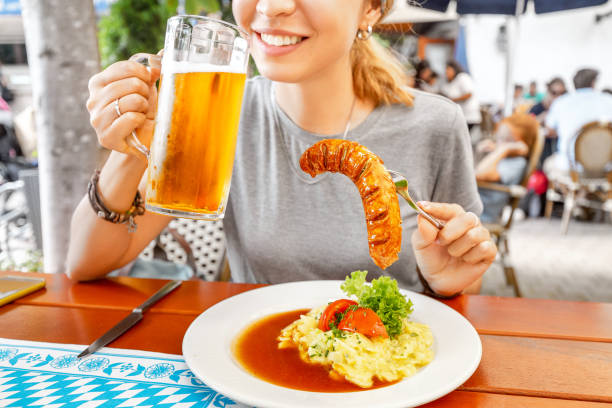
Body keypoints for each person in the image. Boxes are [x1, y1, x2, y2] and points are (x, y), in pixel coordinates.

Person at [67, 0, 496, 297]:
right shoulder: (218, 111)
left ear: (370, 7)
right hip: (256, 369)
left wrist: (451, 281)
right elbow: (86, 263)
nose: (271, 7)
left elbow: (460, 278)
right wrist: (134, 145)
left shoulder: (436, 125)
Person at [544, 68, 612, 178]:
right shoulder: (609, 100)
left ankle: (563, 193)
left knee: (549, 163)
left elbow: (549, 130)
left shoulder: (561, 102)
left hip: (570, 168)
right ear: (593, 83)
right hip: (605, 169)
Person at [475, 113, 539, 223]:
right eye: (499, 138)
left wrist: (502, 150)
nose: (500, 143)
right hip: (473, 205)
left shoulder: (517, 163)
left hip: (481, 213)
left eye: (507, 140)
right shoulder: (504, 158)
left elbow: (479, 174)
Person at [528, 77, 567, 166]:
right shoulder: (537, 108)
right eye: (554, 93)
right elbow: (526, 127)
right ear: (548, 92)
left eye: (562, 93)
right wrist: (539, 120)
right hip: (541, 154)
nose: (558, 97)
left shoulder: (566, 111)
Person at [441, 60, 481, 132]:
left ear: (454, 69)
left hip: (469, 116)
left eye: (448, 69)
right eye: (446, 70)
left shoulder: (462, 77)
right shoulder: (449, 82)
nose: (447, 72)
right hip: (458, 117)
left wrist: (453, 99)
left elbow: (469, 94)